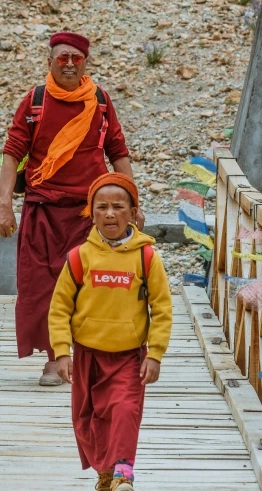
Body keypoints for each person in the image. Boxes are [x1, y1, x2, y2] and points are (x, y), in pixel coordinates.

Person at [0, 31, 143, 385]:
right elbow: (12, 151)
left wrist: (134, 204)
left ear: (86, 64)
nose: (69, 65)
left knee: (92, 285)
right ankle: (54, 359)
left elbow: (118, 152)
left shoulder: (100, 101)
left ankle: (92, 355)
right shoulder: (35, 101)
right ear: (49, 62)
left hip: (89, 212)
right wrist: (5, 203)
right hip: (42, 208)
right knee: (42, 285)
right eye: (62, 58)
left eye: (76, 59)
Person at [48, 173, 172, 491]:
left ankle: (123, 472)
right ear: (92, 212)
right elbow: (59, 307)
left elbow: (162, 309)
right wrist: (62, 351)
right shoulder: (80, 258)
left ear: (133, 213)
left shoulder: (146, 258)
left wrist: (155, 354)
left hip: (130, 356)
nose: (110, 214)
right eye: (101, 207)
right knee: (87, 421)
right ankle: (107, 472)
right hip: (87, 355)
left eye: (119, 206)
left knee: (125, 409)